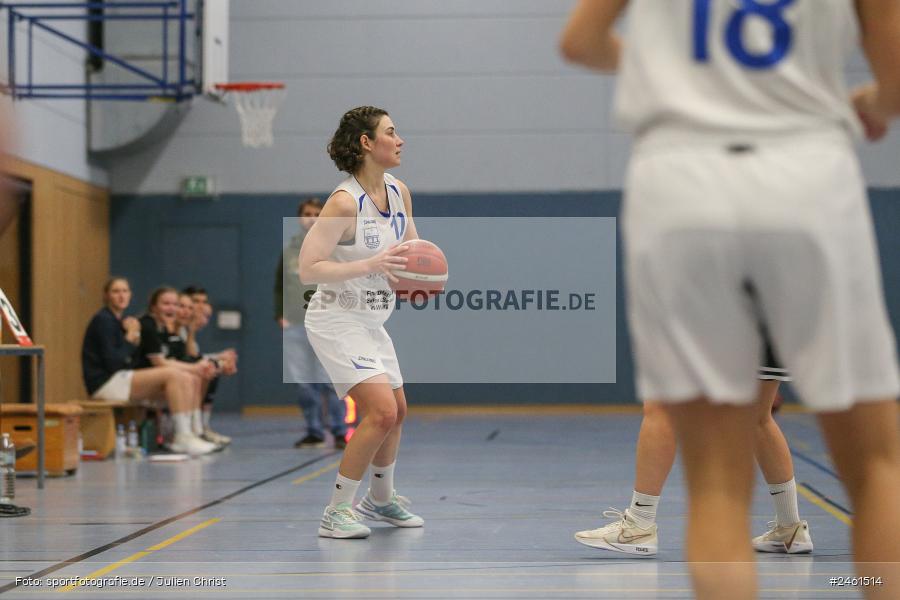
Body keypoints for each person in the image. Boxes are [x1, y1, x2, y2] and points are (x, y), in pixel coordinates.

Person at [560, 2, 900, 598]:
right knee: (876, 468)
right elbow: (894, 74)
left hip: (681, 178)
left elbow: (580, 43)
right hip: (807, 170)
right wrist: (873, 103)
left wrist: (668, 71)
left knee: (715, 483)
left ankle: (675, 524)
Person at [299, 106, 424, 538]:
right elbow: (308, 268)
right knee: (380, 410)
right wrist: (370, 263)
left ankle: (382, 500)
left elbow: (411, 251)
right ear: (368, 143)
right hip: (335, 319)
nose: (401, 139)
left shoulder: (399, 191)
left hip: (371, 320)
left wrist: (422, 271)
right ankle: (336, 511)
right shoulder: (342, 202)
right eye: (392, 131)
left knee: (398, 411)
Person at [575, 364, 812, 556]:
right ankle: (790, 527)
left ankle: (639, 525)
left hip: (723, 313)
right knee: (759, 417)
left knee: (662, 406)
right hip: (770, 315)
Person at [81, 278, 217, 455]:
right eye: (116, 291)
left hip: (120, 378)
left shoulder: (119, 321)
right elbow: (114, 362)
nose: (121, 295)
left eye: (125, 291)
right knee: (173, 375)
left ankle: (191, 433)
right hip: (104, 382)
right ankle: (182, 436)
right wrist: (131, 338)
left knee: (186, 377)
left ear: (130, 294)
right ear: (106, 295)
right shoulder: (104, 320)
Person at [276, 198, 348, 449]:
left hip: (328, 324)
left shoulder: (336, 249)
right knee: (304, 383)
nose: (312, 217)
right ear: (300, 217)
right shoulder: (289, 250)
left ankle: (340, 431)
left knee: (331, 380)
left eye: (318, 213)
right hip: (295, 324)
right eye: (307, 213)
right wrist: (280, 314)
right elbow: (279, 286)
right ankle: (314, 431)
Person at [134, 286, 219, 454]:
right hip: (139, 378)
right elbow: (160, 361)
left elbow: (179, 358)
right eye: (166, 304)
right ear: (154, 306)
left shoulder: (164, 327)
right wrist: (196, 367)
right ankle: (183, 434)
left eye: (174, 304)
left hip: (156, 377)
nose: (173, 309)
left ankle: (192, 431)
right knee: (186, 376)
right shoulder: (148, 325)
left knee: (193, 375)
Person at [174, 292, 232, 446]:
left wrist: (218, 359)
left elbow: (194, 355)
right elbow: (189, 357)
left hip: (180, 369)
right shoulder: (177, 329)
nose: (197, 310)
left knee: (210, 367)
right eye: (195, 304)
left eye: (207, 316)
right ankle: (192, 430)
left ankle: (200, 428)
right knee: (205, 370)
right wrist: (216, 361)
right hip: (175, 373)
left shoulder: (186, 330)